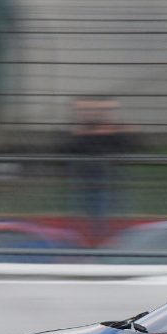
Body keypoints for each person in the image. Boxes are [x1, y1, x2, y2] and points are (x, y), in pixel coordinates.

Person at [62, 96, 140, 242]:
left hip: (109, 180)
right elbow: (70, 148)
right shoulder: (77, 131)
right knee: (85, 215)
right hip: (86, 179)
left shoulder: (114, 131)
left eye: (110, 110)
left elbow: (129, 146)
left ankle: (106, 240)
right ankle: (90, 240)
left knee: (109, 214)